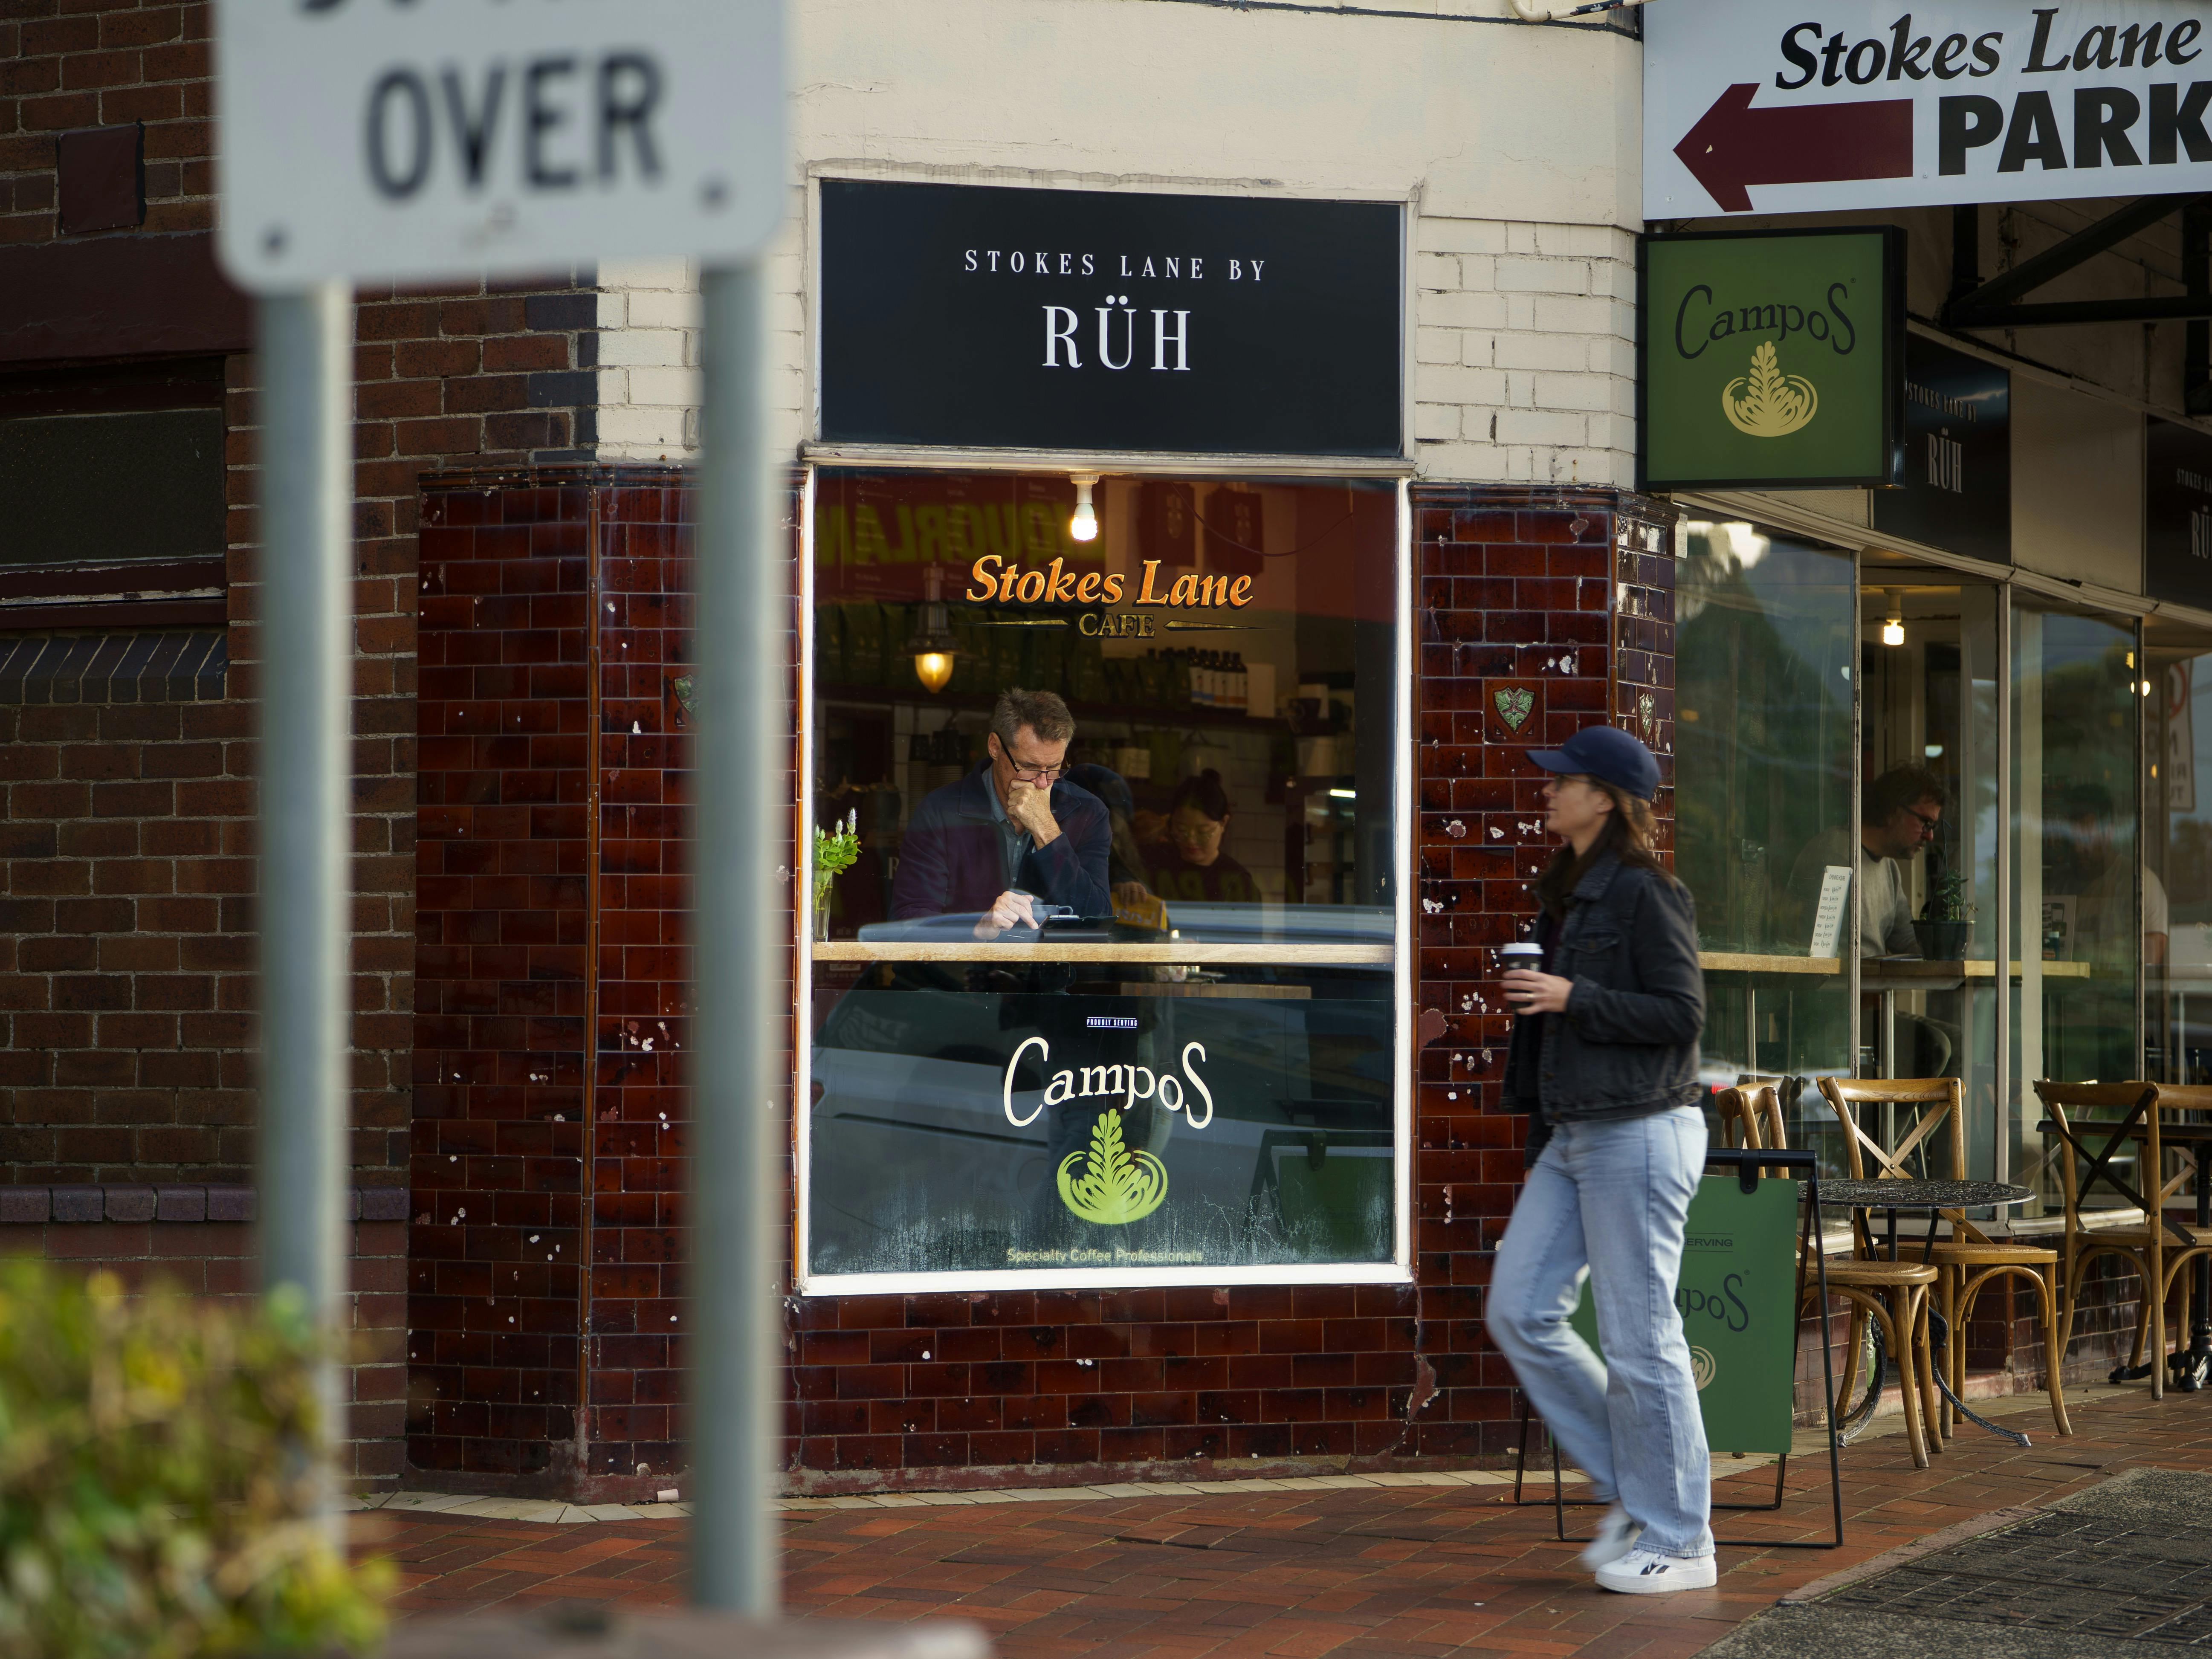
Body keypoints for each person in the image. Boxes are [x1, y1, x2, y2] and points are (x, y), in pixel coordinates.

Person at [1485, 723, 1715, 1594]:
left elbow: (1679, 1013)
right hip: (1574, 1130)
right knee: (1518, 1308)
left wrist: (1570, 994)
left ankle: (1680, 1537)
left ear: (1605, 798)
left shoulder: (1647, 891)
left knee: (1640, 1338)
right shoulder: (1569, 890)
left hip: (1638, 1128)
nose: (1546, 791)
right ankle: (1630, 1485)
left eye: (1562, 780)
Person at [890, 687, 1111, 938]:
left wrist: (1047, 830)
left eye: (1054, 767)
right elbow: (908, 921)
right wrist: (980, 928)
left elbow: (1097, 921)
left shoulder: (1089, 812)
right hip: (962, 977)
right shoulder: (939, 812)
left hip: (1045, 976)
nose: (1042, 782)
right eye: (1028, 767)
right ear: (995, 747)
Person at [1131, 770, 1261, 906]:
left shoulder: (1238, 882)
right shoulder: (1150, 860)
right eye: (1181, 830)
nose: (1191, 840)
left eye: (1203, 832)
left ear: (1224, 823)